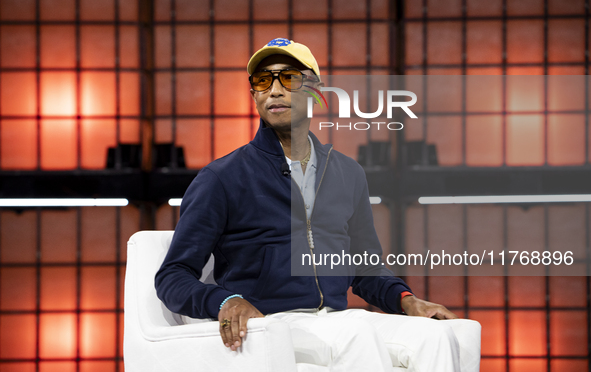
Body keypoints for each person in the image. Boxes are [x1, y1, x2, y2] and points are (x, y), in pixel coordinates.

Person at [155, 38, 473, 371]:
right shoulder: (221, 178)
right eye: (263, 81)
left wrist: (406, 300)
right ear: (254, 95)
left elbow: (364, 268)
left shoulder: (347, 172)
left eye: (289, 78)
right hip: (272, 324)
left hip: (335, 319)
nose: (274, 91)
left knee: (437, 335)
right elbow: (173, 276)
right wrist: (226, 300)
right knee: (357, 328)